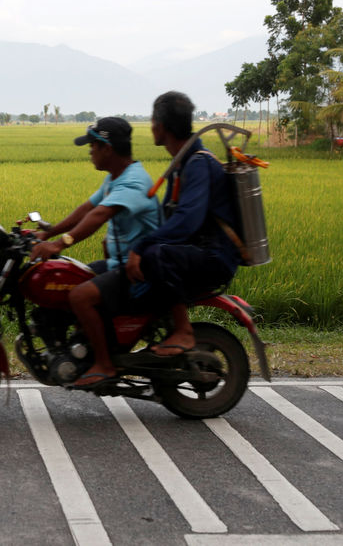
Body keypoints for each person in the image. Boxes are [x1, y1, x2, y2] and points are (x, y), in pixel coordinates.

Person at [30, 117, 159, 388]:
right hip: (119, 263)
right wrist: (47, 234)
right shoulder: (116, 178)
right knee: (68, 279)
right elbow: (85, 209)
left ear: (107, 149)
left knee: (80, 296)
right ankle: (81, 348)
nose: (89, 151)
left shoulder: (133, 182)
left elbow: (99, 215)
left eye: (92, 146)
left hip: (139, 269)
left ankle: (104, 364)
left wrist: (58, 245)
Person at [126, 91, 242, 356]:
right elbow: (168, 217)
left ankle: (183, 331)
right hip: (198, 250)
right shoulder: (184, 161)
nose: (151, 126)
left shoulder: (198, 163)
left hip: (215, 256)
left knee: (156, 254)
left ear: (162, 126)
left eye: (153, 120)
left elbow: (187, 221)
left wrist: (142, 245)